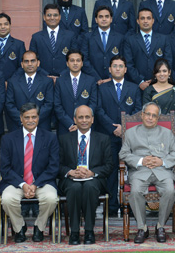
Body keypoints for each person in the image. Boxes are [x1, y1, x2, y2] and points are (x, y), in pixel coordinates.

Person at [119, 102, 175, 244]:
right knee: (135, 191)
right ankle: (142, 228)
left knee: (169, 190)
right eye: (148, 114)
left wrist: (162, 161)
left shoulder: (167, 133)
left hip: (162, 171)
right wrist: (141, 160)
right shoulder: (130, 133)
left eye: (154, 115)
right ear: (142, 115)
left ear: (158, 118)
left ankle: (160, 226)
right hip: (140, 172)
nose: (150, 118)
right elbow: (123, 154)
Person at [0, 103, 59, 243]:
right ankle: (19, 228)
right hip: (15, 182)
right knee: (7, 199)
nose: (30, 120)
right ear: (21, 118)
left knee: (51, 198)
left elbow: (53, 167)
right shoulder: (8, 139)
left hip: (42, 182)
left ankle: (39, 227)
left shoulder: (50, 138)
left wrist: (35, 184)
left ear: (38, 118)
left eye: (34, 117)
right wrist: (23, 185)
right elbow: (5, 168)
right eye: (27, 117)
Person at [58, 105, 113, 245]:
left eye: (87, 117)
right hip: (71, 179)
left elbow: (109, 166)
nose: (84, 120)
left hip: (94, 179)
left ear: (93, 119)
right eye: (80, 117)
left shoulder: (103, 139)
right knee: (75, 188)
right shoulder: (64, 139)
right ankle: (74, 233)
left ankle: (89, 231)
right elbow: (56, 165)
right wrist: (70, 172)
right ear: (74, 119)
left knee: (89, 187)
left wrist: (92, 172)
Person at [96, 55, 142, 216]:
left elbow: (138, 110)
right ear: (109, 69)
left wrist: (125, 127)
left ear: (125, 69)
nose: (117, 68)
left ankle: (129, 206)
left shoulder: (134, 88)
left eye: (120, 66)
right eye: (114, 66)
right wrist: (113, 127)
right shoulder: (102, 88)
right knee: (111, 171)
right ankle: (112, 207)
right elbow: (99, 110)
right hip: (108, 136)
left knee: (132, 170)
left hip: (130, 136)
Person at [123, 7, 172, 90]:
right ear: (138, 21)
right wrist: (140, 81)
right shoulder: (130, 40)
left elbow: (168, 61)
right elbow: (128, 64)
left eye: (148, 18)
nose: (145, 21)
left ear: (153, 20)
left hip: (160, 84)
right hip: (137, 86)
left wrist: (155, 79)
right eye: (142, 18)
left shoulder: (163, 39)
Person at [5, 50, 54, 132]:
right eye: (26, 61)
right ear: (22, 64)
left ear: (38, 63)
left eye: (33, 61)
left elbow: (49, 104)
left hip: (41, 126)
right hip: (18, 126)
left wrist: (34, 120)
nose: (30, 64)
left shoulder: (47, 81)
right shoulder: (12, 82)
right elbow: (9, 104)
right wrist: (23, 120)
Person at [54, 50, 97, 138]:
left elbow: (93, 103)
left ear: (82, 63)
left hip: (86, 127)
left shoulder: (91, 81)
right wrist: (70, 124)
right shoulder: (60, 81)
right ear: (67, 63)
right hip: (65, 127)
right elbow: (57, 105)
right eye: (72, 60)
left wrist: (80, 123)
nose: (75, 63)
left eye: (78, 60)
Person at [29, 3, 77, 78]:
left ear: (60, 17)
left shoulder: (70, 36)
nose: (52, 18)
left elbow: (75, 58)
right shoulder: (36, 37)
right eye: (49, 15)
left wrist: (62, 75)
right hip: (43, 79)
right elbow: (32, 60)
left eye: (55, 15)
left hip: (65, 78)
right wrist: (46, 75)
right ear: (44, 17)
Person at [81, 5, 126, 84]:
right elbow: (84, 60)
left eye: (107, 16)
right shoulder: (87, 37)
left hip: (114, 81)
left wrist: (111, 77)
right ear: (96, 20)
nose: (104, 19)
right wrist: (97, 78)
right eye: (101, 17)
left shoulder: (120, 38)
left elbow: (123, 60)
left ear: (111, 19)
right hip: (92, 81)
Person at [142, 58, 175, 133]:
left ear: (169, 72)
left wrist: (173, 132)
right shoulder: (149, 90)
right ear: (155, 74)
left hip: (173, 131)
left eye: (164, 71)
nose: (161, 74)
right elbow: (147, 114)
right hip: (153, 132)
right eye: (158, 71)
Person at [0, 12, 26, 81]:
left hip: (12, 85)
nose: (3, 27)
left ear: (10, 25)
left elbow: (22, 66)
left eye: (6, 24)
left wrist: (11, 81)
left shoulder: (19, 44)